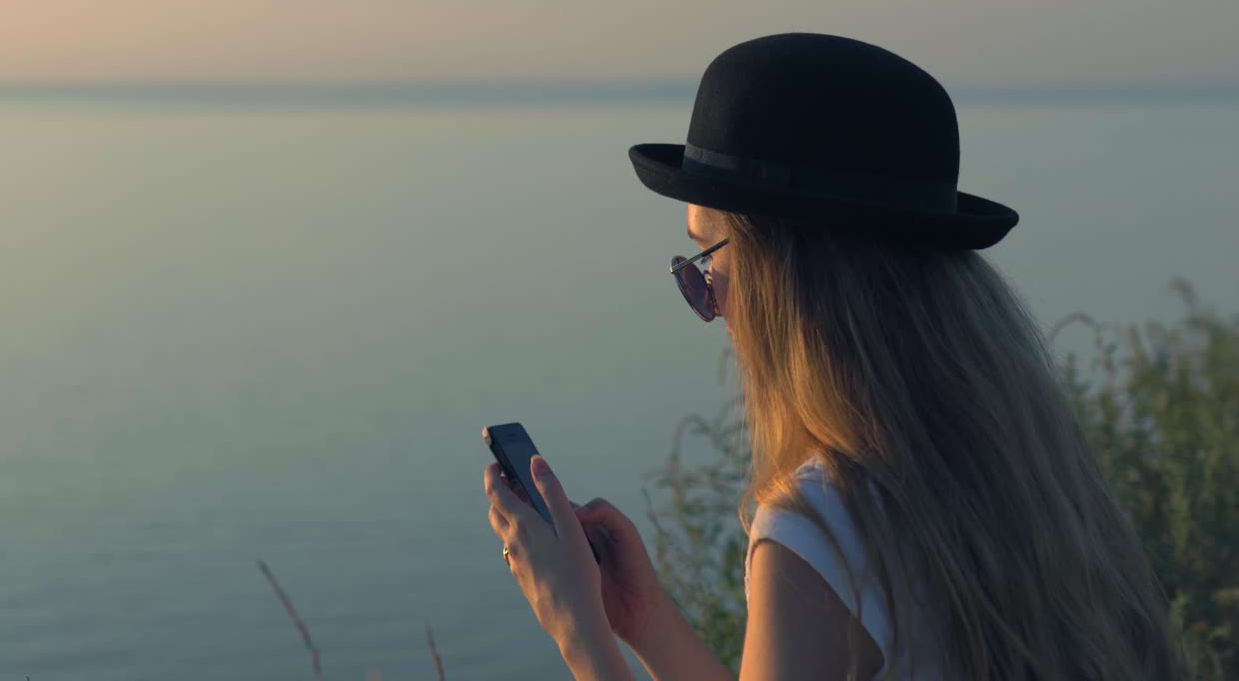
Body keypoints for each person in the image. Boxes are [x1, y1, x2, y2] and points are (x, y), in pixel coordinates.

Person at [482, 33, 1184, 680]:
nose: (710, 306)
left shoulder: (820, 527)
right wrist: (648, 624)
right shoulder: (1022, 479)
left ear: (789, 275)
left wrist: (580, 637)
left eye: (706, 260)